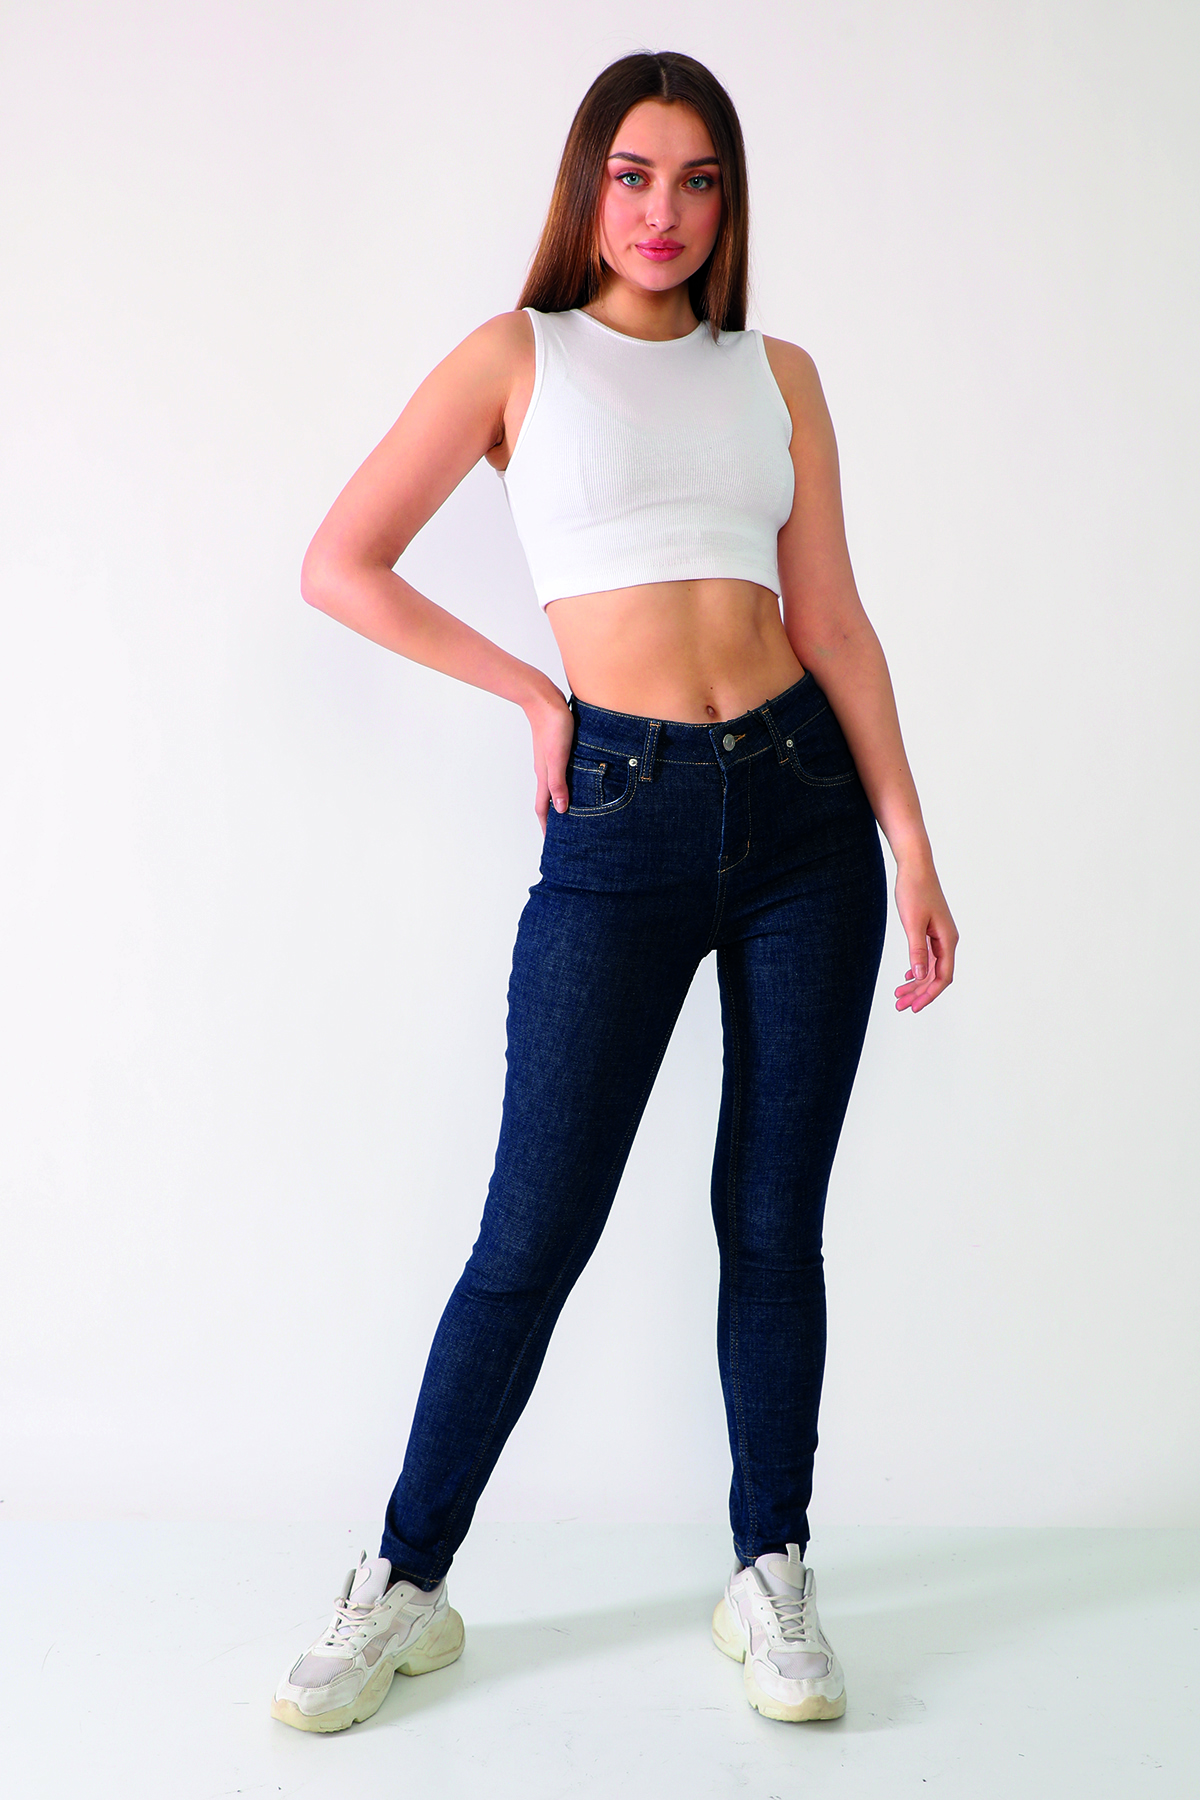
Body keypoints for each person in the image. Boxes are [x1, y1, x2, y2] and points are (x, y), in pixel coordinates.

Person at [270, 49, 957, 1734]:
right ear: (588, 187)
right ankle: (405, 1580)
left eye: (698, 179)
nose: (664, 211)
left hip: (805, 815)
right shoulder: (518, 358)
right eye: (634, 175)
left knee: (772, 1221)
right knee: (532, 1233)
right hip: (621, 815)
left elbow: (834, 618)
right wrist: (531, 691)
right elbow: (340, 561)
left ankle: (770, 1567)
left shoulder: (777, 375)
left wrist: (911, 837)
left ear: (730, 201)